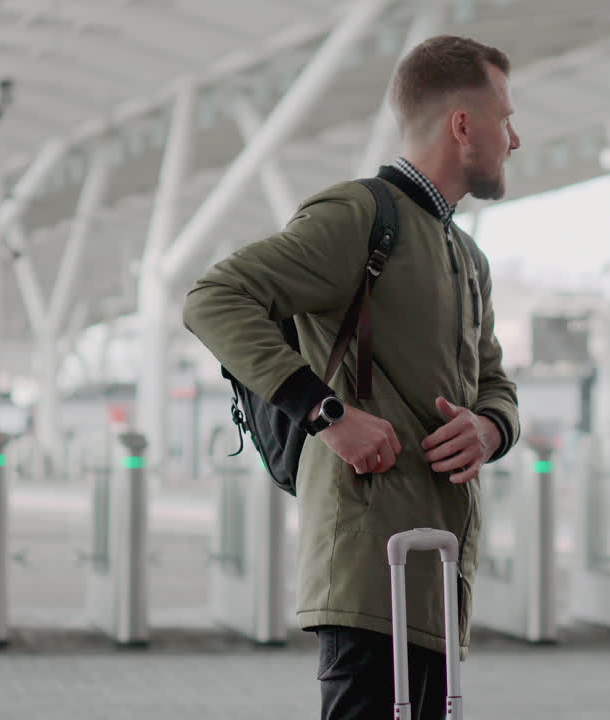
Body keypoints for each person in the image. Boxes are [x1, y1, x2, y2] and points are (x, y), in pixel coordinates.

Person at [183, 35, 522, 720]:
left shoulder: (467, 254)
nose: (514, 139)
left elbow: (496, 382)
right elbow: (214, 298)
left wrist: (489, 428)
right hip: (370, 564)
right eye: (505, 117)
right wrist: (328, 416)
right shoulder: (361, 216)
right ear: (462, 125)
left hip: (439, 570)